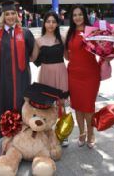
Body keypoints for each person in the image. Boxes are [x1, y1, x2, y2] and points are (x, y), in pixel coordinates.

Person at [65, 5, 111, 149]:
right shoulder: (70, 33)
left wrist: (108, 57)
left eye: (80, 14)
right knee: (78, 107)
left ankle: (91, 133)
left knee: (88, 108)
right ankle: (81, 133)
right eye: (74, 15)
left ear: (85, 15)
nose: (77, 17)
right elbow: (67, 55)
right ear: (72, 18)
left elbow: (103, 51)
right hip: (73, 75)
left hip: (91, 75)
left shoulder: (93, 32)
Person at [0, 0, 38, 139]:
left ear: (17, 15)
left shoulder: (25, 33)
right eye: (7, 14)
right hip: (4, 79)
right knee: (4, 102)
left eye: (13, 13)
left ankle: (23, 136)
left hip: (22, 77)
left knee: (22, 103)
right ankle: (7, 135)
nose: (10, 16)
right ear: (3, 16)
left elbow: (33, 52)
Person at [34, 11, 69, 146]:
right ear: (44, 23)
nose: (51, 24)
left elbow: (67, 57)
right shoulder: (38, 40)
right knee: (46, 104)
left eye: (53, 21)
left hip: (60, 71)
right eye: (48, 21)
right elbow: (32, 57)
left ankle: (63, 133)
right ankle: (47, 133)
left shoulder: (62, 38)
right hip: (46, 72)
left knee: (61, 104)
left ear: (57, 24)